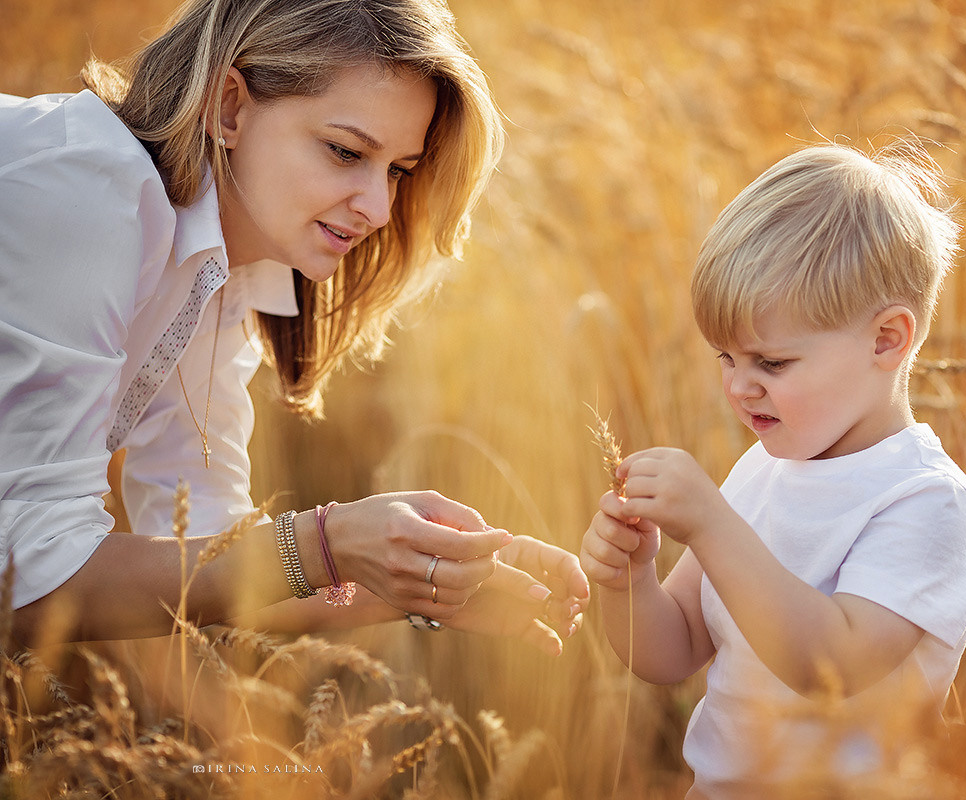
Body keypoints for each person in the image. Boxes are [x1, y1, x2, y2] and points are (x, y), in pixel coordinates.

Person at [1, 0, 588, 654]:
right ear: (230, 108)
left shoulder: (222, 265)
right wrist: (326, 543)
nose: (377, 208)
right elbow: (24, 579)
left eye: (397, 170)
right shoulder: (84, 195)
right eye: (344, 151)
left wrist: (424, 577)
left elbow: (219, 567)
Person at [579, 142, 966, 797]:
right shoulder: (763, 468)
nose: (739, 387)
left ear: (888, 339)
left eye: (771, 364)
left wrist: (711, 524)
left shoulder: (923, 502)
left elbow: (831, 664)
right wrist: (630, 583)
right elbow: (672, 650)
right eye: (725, 357)